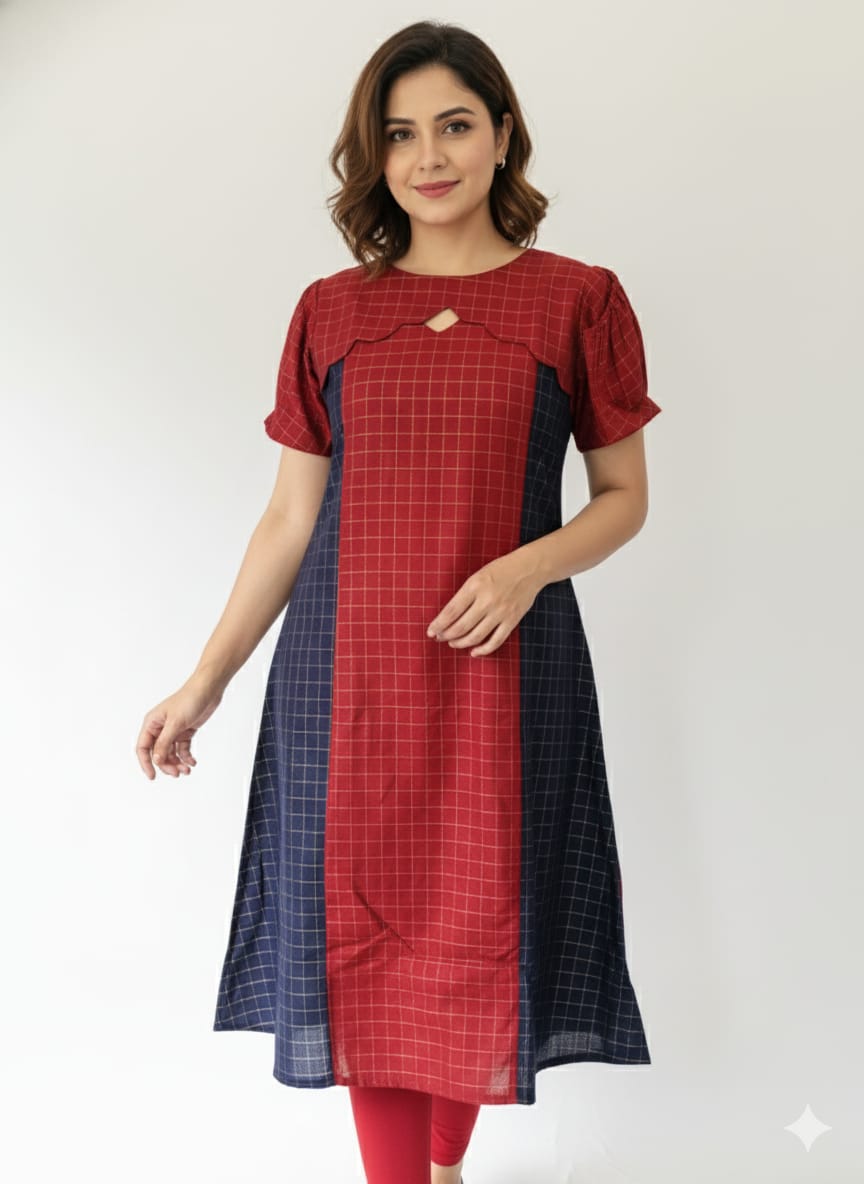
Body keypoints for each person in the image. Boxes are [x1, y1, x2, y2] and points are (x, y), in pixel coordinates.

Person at [135, 19, 661, 1184]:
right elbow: (290, 518)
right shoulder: (330, 310)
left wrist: (528, 565)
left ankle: (441, 1165)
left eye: (455, 126)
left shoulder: (577, 300)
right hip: (344, 683)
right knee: (361, 955)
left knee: (480, 935)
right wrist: (204, 680)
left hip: (505, 675)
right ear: (373, 156)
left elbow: (624, 497)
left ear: (503, 134)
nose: (430, 157)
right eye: (400, 134)